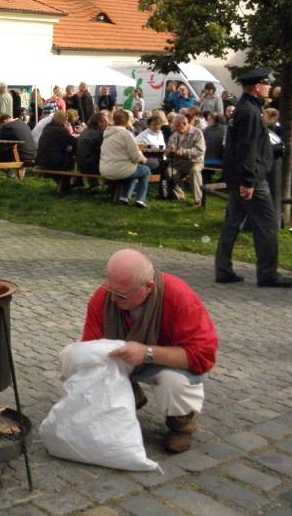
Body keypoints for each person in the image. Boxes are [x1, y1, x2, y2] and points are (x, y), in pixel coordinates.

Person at [82, 249, 218, 453]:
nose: (112, 299)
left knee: (176, 382)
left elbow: (202, 355)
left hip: (165, 361)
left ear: (148, 287)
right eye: (109, 289)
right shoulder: (104, 297)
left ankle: (181, 424)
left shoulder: (179, 297)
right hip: (125, 360)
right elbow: (89, 346)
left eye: (120, 295)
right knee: (84, 366)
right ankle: (128, 398)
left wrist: (147, 353)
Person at [215, 68, 292, 287]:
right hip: (251, 179)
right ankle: (268, 274)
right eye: (266, 84)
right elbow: (247, 149)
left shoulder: (243, 108)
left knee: (232, 223)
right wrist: (248, 181)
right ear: (257, 87)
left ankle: (223, 269)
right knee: (268, 224)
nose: (269, 87)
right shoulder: (250, 112)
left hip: (237, 176)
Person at [100, 109, 151, 207]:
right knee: (145, 170)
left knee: (133, 169)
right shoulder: (126, 134)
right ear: (127, 121)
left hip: (105, 169)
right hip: (120, 169)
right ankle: (140, 200)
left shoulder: (107, 134)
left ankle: (124, 197)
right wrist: (143, 159)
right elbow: (135, 155)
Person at [166, 113, 206, 204]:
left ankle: (198, 200)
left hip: (195, 162)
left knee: (195, 171)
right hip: (179, 163)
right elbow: (167, 151)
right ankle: (180, 197)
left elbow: (200, 151)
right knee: (169, 172)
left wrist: (183, 152)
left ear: (184, 123)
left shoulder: (197, 133)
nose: (175, 128)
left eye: (176, 126)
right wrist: (170, 151)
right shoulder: (174, 135)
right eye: (174, 126)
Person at [76, 111, 109, 177]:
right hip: (91, 168)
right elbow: (104, 152)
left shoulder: (85, 131)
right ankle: (113, 186)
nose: (107, 124)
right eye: (105, 122)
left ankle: (94, 185)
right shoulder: (98, 135)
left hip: (80, 166)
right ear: (99, 123)